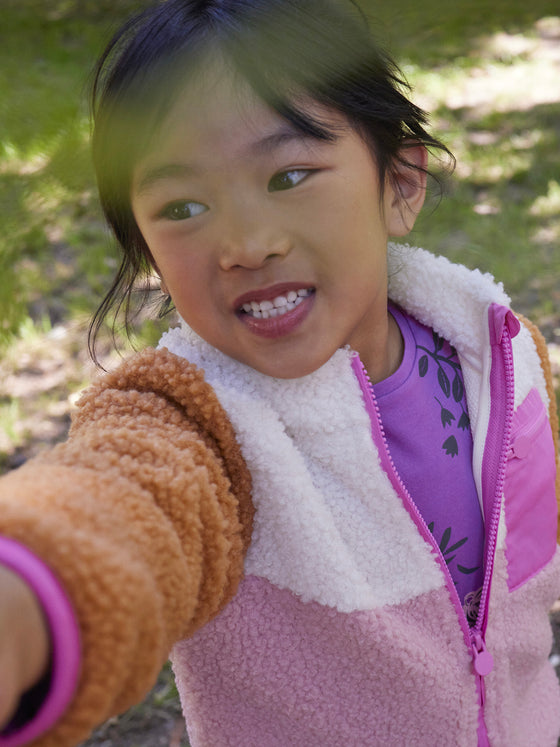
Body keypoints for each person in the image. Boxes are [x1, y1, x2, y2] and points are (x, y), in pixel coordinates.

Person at [0, 0, 559, 745]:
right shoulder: (197, 422)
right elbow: (117, 503)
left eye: (290, 174)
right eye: (185, 205)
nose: (246, 243)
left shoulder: (501, 354)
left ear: (399, 183)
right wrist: (25, 599)